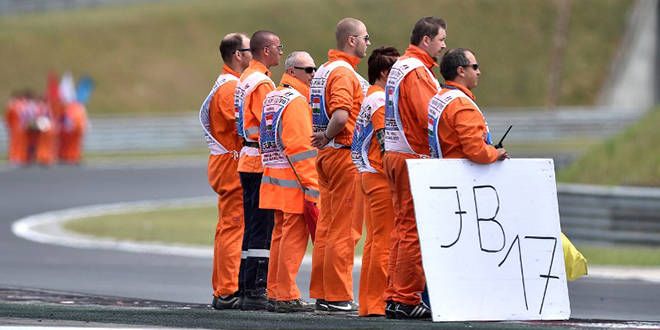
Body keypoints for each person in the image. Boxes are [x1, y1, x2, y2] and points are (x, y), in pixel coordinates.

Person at [382, 16, 446, 319]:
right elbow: (429, 116)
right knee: (413, 230)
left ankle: (395, 294)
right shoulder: (418, 72)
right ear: (426, 40)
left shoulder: (400, 66)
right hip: (412, 157)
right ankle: (407, 297)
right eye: (441, 39)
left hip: (394, 153)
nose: (444, 45)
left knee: (401, 227)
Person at [309, 17, 370, 314]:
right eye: (365, 38)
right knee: (345, 230)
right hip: (343, 153)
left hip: (326, 156)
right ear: (351, 40)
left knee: (327, 226)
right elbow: (342, 115)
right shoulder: (344, 72)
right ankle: (337, 295)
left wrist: (324, 138)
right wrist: (329, 134)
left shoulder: (323, 69)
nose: (367, 43)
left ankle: (323, 292)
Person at [259, 51, 319, 313]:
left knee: (279, 237)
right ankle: (285, 295)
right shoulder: (295, 101)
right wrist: (312, 184)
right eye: (309, 69)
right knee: (292, 240)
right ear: (293, 71)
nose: (314, 74)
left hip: (273, 178)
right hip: (293, 182)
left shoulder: (274, 95)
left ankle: (274, 291)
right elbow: (300, 148)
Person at [199, 32, 252, 310]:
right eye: (248, 49)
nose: (253, 53)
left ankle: (224, 287)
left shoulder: (228, 83)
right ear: (237, 55)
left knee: (227, 227)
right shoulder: (230, 87)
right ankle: (227, 289)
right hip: (231, 163)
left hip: (225, 161)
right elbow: (242, 124)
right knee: (233, 227)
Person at [234, 30, 282, 310]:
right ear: (266, 50)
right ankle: (255, 289)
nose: (280, 51)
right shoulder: (262, 83)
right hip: (258, 159)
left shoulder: (245, 78)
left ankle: (244, 286)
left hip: (246, 156)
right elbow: (270, 124)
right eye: (278, 46)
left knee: (251, 226)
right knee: (262, 229)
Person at [351, 46, 399, 317]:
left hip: (367, 174)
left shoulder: (371, 95)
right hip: (380, 176)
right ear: (384, 73)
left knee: (373, 242)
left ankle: (370, 302)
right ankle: (377, 303)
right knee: (384, 242)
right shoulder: (380, 100)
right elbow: (385, 142)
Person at [428, 48, 508, 163]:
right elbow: (476, 151)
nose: (478, 72)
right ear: (461, 71)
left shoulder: (440, 96)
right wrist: (496, 153)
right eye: (475, 67)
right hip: (461, 175)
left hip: (442, 169)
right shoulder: (463, 106)